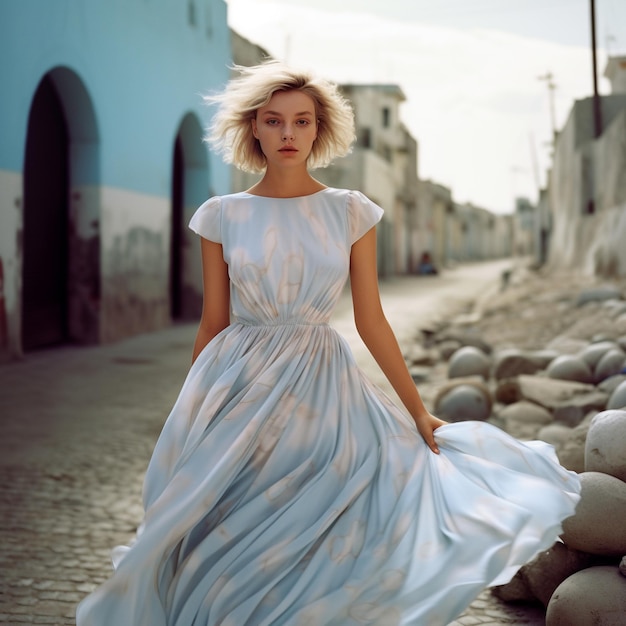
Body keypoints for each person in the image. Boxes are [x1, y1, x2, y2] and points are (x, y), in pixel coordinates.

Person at [77, 61, 580, 625]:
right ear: (254, 129)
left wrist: (417, 410)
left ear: (320, 130)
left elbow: (371, 319)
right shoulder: (222, 215)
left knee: (313, 523)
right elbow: (213, 322)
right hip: (239, 386)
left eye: (302, 121)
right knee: (226, 528)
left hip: (324, 389)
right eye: (274, 121)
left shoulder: (349, 210)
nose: (288, 133)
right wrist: (195, 411)